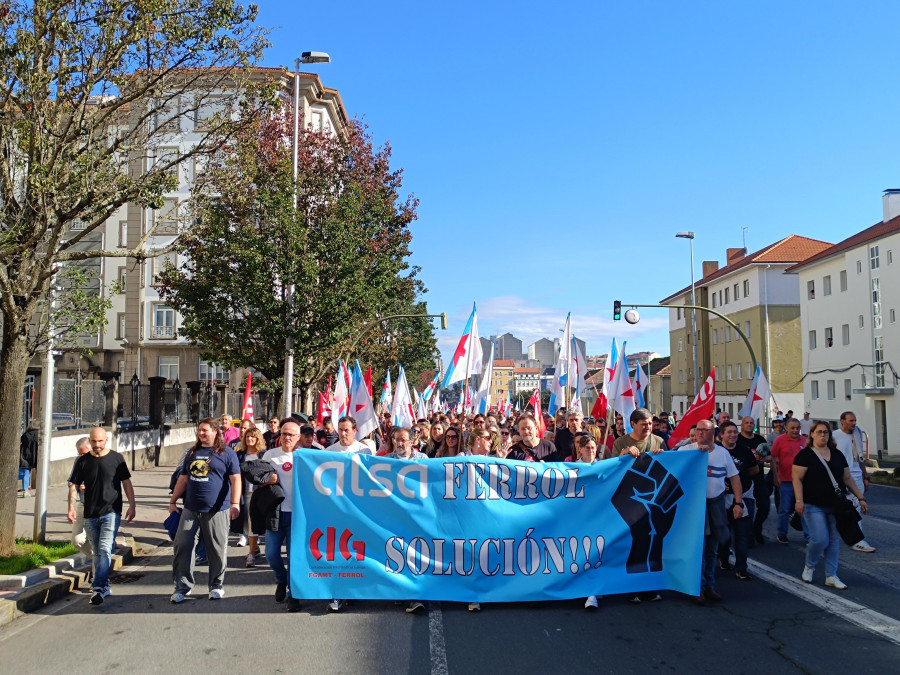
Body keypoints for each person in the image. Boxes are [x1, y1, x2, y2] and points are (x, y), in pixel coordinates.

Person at [169, 418, 241, 603]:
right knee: (182, 546)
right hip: (191, 508)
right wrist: (172, 501)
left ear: (215, 431)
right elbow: (183, 479)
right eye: (200, 430)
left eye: (205, 430)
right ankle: (182, 587)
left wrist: (235, 504)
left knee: (216, 550)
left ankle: (216, 586)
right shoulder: (192, 452)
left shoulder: (227, 453)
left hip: (217, 510)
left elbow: (236, 479)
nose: (202, 433)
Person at [793, 421, 867, 589]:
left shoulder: (837, 455)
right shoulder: (805, 455)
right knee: (820, 539)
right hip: (813, 504)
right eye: (819, 432)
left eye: (826, 432)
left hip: (836, 504)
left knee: (833, 541)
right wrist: (799, 500)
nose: (823, 435)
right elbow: (796, 478)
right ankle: (809, 566)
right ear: (811, 434)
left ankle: (831, 575)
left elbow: (847, 478)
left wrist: (861, 498)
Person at [67, 427, 136, 606]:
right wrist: (71, 507)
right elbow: (73, 485)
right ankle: (104, 585)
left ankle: (98, 587)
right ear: (89, 441)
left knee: (105, 549)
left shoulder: (116, 458)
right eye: (93, 441)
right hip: (90, 513)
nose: (97, 445)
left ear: (106, 440)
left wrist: (132, 505)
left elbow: (126, 482)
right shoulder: (83, 461)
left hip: (111, 511)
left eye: (100, 441)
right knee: (98, 552)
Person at [681, 420, 743, 604]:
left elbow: (734, 478)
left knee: (711, 550)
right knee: (697, 550)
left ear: (713, 432)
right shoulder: (686, 451)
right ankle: (696, 588)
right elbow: (672, 470)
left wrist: (738, 503)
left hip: (716, 506)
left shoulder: (722, 453)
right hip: (694, 508)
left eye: (704, 430)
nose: (700, 433)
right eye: (698, 429)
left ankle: (709, 585)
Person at [323, 416, 371, 612]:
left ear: (355, 430)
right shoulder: (329, 452)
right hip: (336, 510)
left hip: (358, 510)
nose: (343, 434)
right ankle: (336, 594)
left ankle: (352, 589)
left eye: (346, 430)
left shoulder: (364, 451)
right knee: (337, 552)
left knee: (355, 552)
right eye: (340, 430)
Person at [384, 426, 429, 613]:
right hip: (394, 516)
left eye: (403, 440)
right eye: (396, 439)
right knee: (395, 552)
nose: (399, 443)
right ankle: (400, 592)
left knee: (414, 554)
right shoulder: (385, 461)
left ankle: (414, 596)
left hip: (416, 517)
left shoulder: (424, 460)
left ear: (412, 441)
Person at [261, 418, 302, 611]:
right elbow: (257, 480)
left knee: (294, 557)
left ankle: (293, 594)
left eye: (291, 435)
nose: (287, 437)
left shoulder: (306, 456)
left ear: (298, 437)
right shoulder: (270, 455)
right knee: (271, 554)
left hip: (298, 516)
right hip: (276, 512)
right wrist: (268, 480)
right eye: (284, 434)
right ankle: (281, 579)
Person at [716, 421, 757, 580]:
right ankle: (724, 558)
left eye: (735, 432)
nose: (733, 435)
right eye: (729, 432)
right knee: (724, 533)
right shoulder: (716, 451)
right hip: (722, 498)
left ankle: (741, 567)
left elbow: (754, 470)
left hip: (744, 496)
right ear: (722, 435)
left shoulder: (744, 451)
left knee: (742, 534)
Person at [832, 411, 876, 553]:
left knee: (857, 508)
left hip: (856, 476)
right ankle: (828, 537)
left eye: (855, 420)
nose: (854, 423)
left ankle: (858, 540)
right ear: (842, 421)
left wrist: (865, 476)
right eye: (851, 421)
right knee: (836, 508)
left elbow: (860, 457)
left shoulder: (857, 434)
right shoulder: (834, 436)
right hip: (838, 476)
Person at [770, 418, 808, 544]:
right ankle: (782, 533)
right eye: (792, 428)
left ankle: (808, 536)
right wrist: (776, 477)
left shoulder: (804, 440)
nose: (795, 430)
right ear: (786, 428)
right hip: (785, 480)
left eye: (797, 428)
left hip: (802, 482)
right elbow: (773, 458)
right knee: (784, 509)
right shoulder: (779, 440)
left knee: (804, 509)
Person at [735, 417, 770, 544]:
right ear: (742, 425)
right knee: (747, 511)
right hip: (743, 480)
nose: (749, 425)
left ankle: (757, 528)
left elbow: (770, 455)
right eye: (747, 423)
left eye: (751, 423)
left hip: (759, 479)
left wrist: (764, 460)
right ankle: (748, 536)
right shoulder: (738, 439)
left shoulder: (760, 439)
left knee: (765, 506)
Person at [236, 426, 265, 565]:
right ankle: (256, 548)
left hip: (258, 495)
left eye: (252, 436)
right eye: (247, 436)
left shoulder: (263, 455)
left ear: (258, 438)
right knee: (245, 524)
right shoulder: (240, 455)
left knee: (253, 523)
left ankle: (251, 554)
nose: (249, 439)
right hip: (243, 494)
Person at [68, 436, 93, 557]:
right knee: (77, 541)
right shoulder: (79, 461)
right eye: (79, 454)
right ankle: (100, 560)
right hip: (83, 505)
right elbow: (72, 484)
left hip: (98, 507)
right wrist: (71, 507)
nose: (82, 456)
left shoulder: (104, 460)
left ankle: (100, 571)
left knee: (96, 541)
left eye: (84, 453)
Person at [19, 420, 39, 497]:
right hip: (36, 455)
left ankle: (25, 490)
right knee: (39, 473)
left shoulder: (26, 434)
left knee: (26, 473)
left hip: (25, 456)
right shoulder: (39, 435)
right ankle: (40, 490)